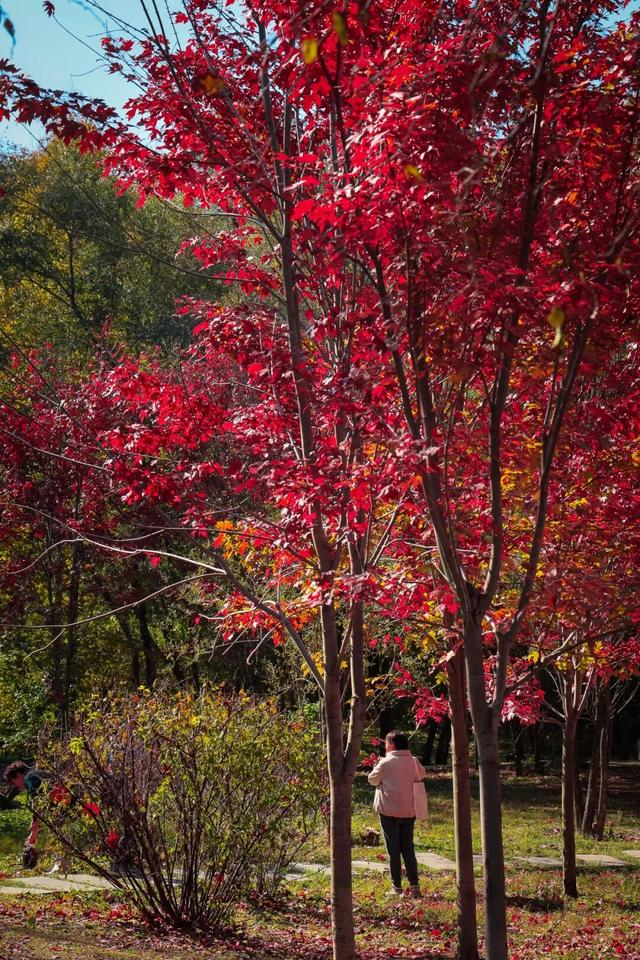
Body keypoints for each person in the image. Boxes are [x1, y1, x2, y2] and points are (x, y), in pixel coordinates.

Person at [367, 730, 426, 898]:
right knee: (408, 848)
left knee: (393, 850)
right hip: (409, 811)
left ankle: (396, 887)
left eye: (386, 743)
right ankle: (415, 886)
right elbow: (421, 775)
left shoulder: (385, 762)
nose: (385, 746)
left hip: (388, 811)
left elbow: (372, 779)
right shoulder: (414, 762)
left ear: (391, 745)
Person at [3, 760, 69, 875]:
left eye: (15, 782)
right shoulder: (35, 775)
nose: (16, 786)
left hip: (66, 801)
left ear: (18, 775)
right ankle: (61, 866)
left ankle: (62, 867)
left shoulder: (30, 778)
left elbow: (38, 803)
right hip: (64, 802)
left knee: (61, 833)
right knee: (60, 831)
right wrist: (35, 826)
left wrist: (34, 826)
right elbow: (39, 803)